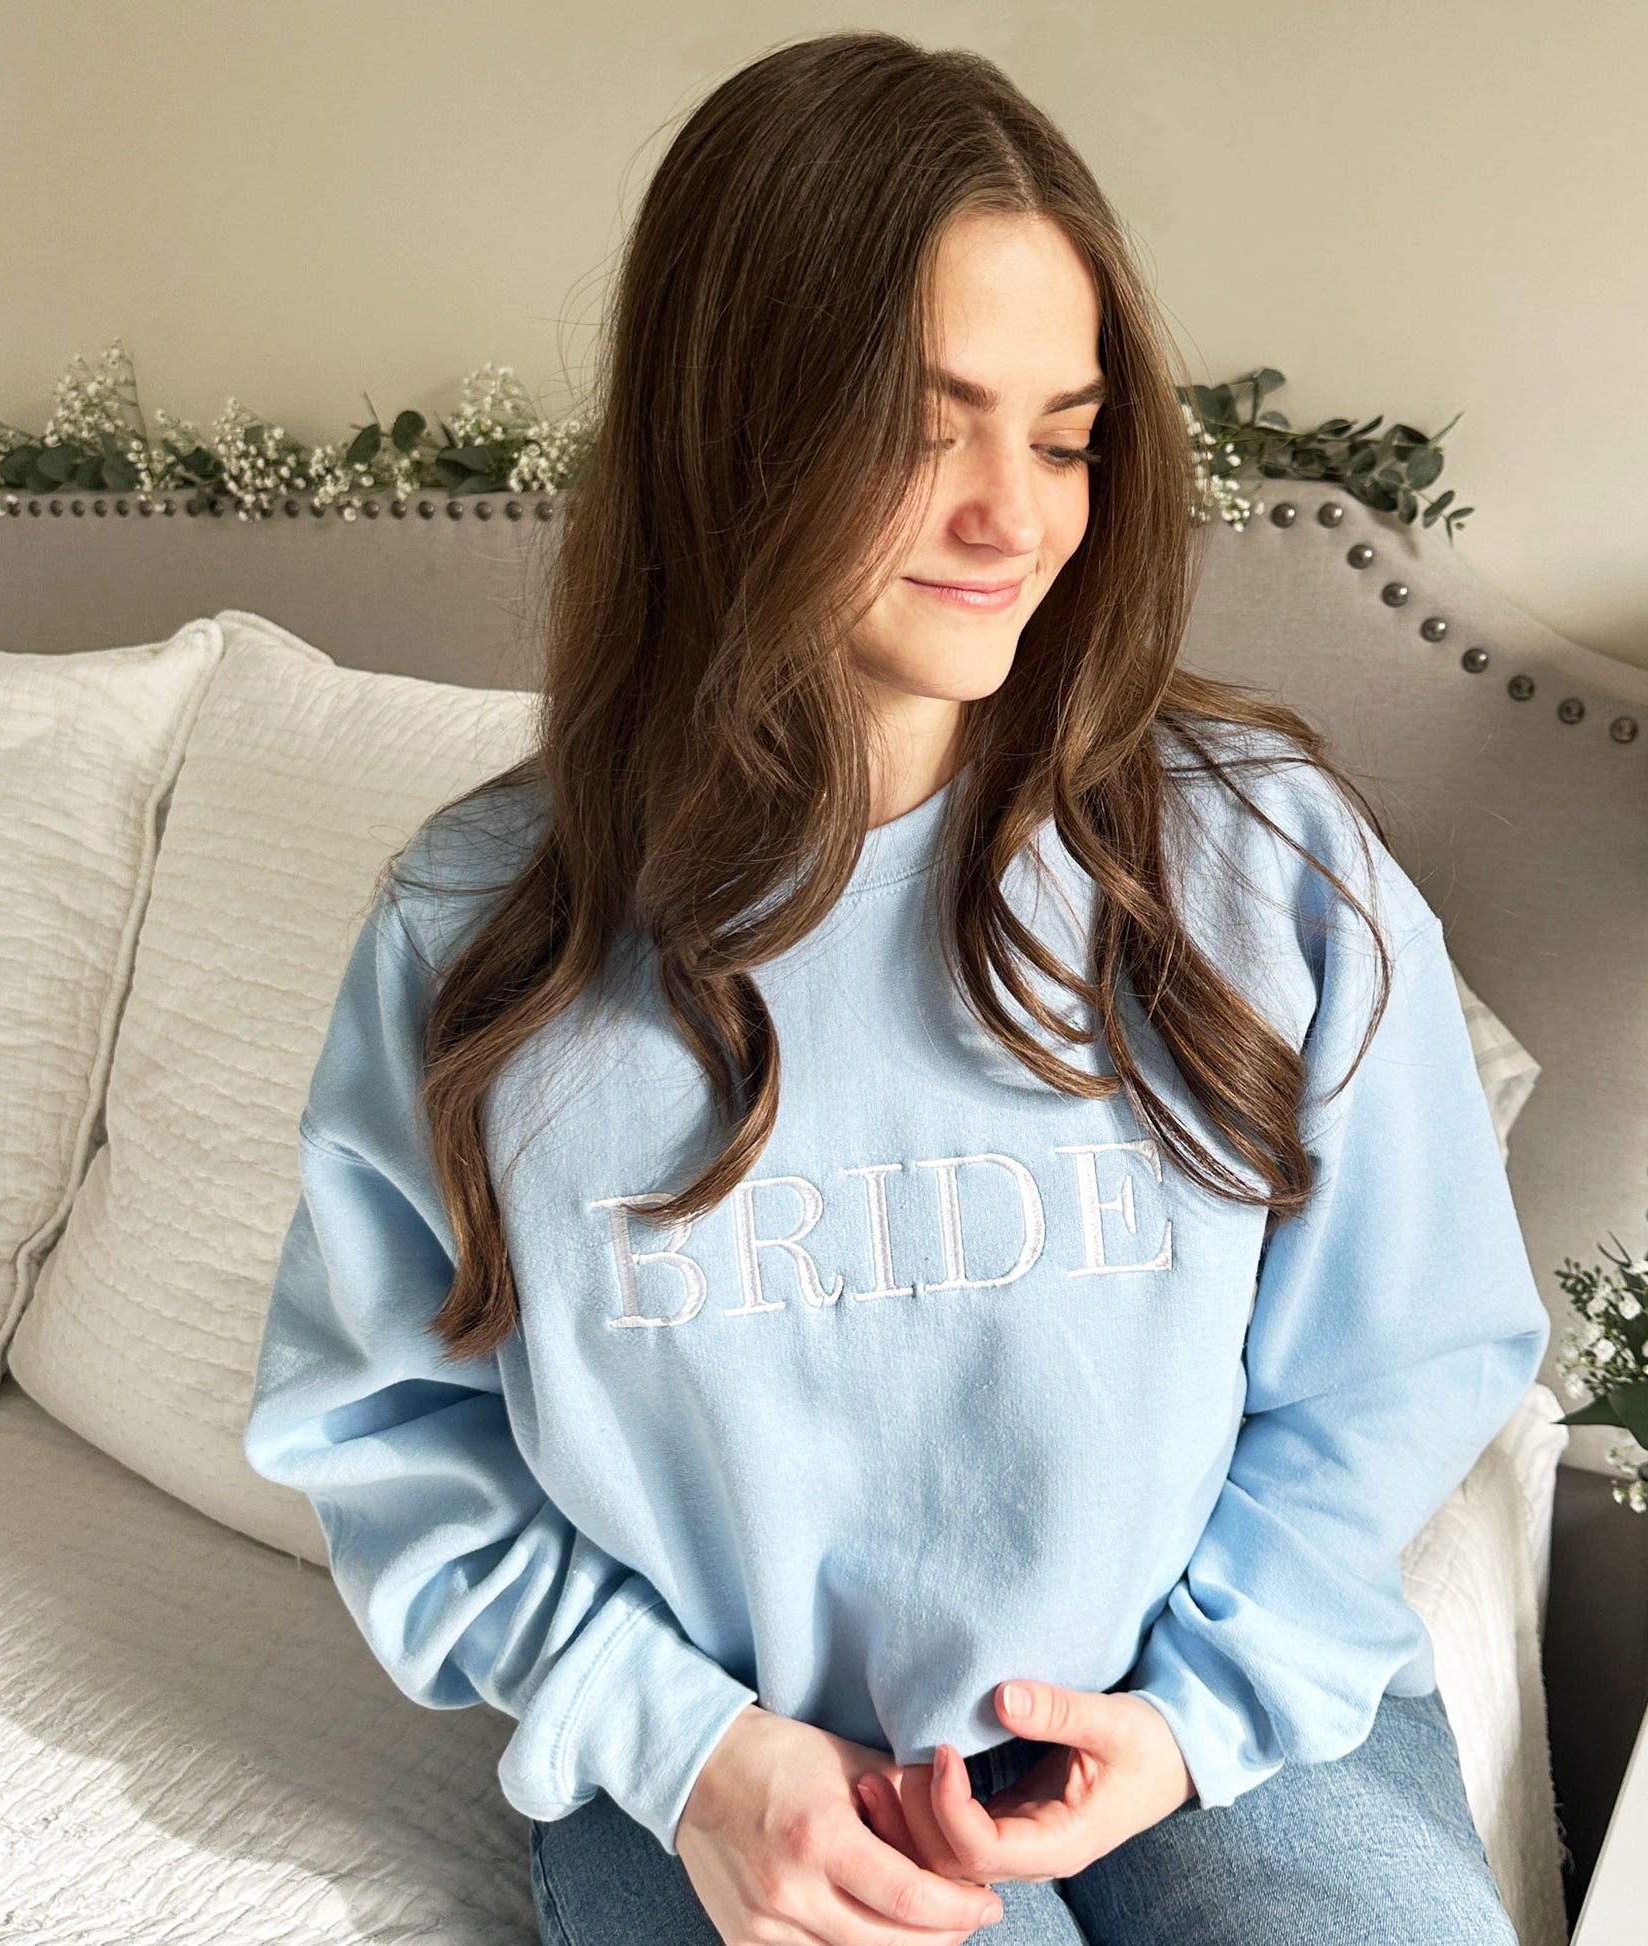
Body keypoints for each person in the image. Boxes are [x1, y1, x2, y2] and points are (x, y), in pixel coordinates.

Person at [243, 27, 1548, 1946]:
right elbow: (386, 1438)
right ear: (726, 431)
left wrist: (1192, 1715)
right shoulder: (477, 933)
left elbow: (1406, 1351)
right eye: (922, 431)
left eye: (1063, 434)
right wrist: (685, 1752)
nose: (1010, 519)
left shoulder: (1266, 865)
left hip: (1207, 1701)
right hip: (732, 1760)